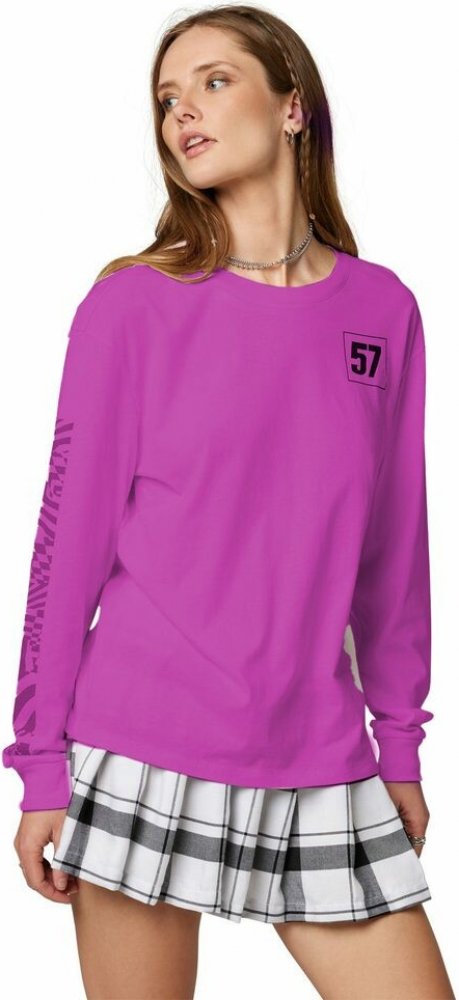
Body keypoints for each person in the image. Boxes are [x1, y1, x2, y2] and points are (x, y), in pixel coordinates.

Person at [3, 4, 455, 998]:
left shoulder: (382, 311)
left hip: (319, 749)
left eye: (213, 81)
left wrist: (399, 745)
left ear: (292, 106)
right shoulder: (133, 304)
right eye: (168, 97)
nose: (183, 112)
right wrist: (39, 763)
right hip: (139, 740)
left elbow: (393, 554)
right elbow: (65, 548)